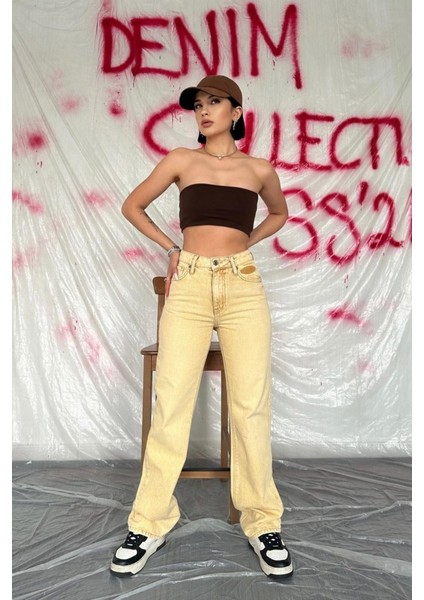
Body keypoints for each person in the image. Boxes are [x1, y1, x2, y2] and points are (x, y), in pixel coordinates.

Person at [110, 75, 293, 579]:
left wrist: (245, 244)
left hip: (242, 285)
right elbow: (132, 205)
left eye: (215, 102)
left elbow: (279, 213)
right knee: (172, 403)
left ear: (237, 112)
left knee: (251, 405)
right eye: (198, 105)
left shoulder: (258, 169)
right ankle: (148, 522)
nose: (204, 111)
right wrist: (172, 248)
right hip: (189, 283)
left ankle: (262, 522)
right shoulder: (180, 160)